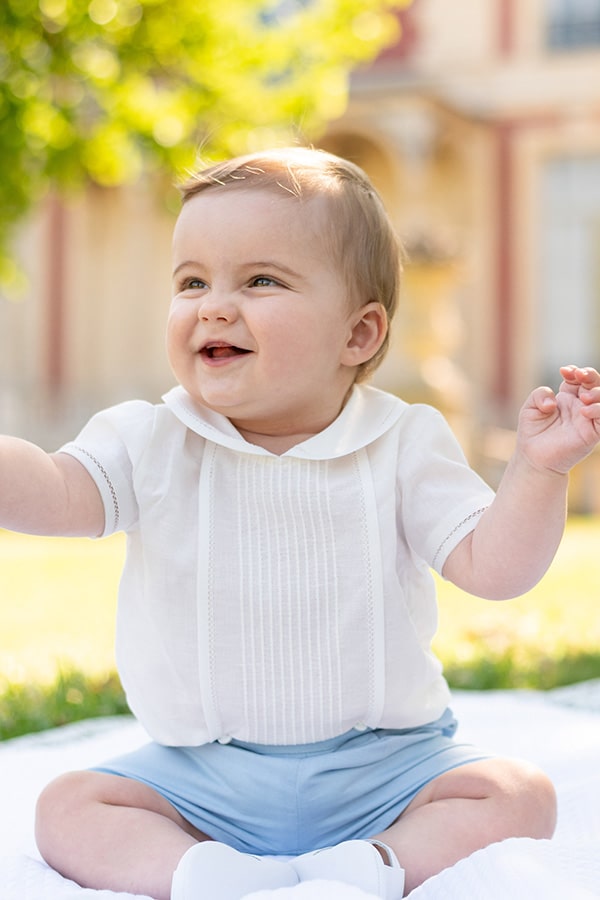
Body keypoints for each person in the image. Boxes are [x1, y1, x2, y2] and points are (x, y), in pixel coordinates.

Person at [2, 146, 598, 900]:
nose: (213, 305)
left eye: (260, 280)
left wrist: (538, 472)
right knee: (70, 808)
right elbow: (55, 490)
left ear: (358, 335)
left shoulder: (403, 440)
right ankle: (199, 873)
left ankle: (375, 864)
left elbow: (495, 567)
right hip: (202, 776)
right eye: (191, 281)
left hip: (386, 767)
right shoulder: (150, 438)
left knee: (517, 794)